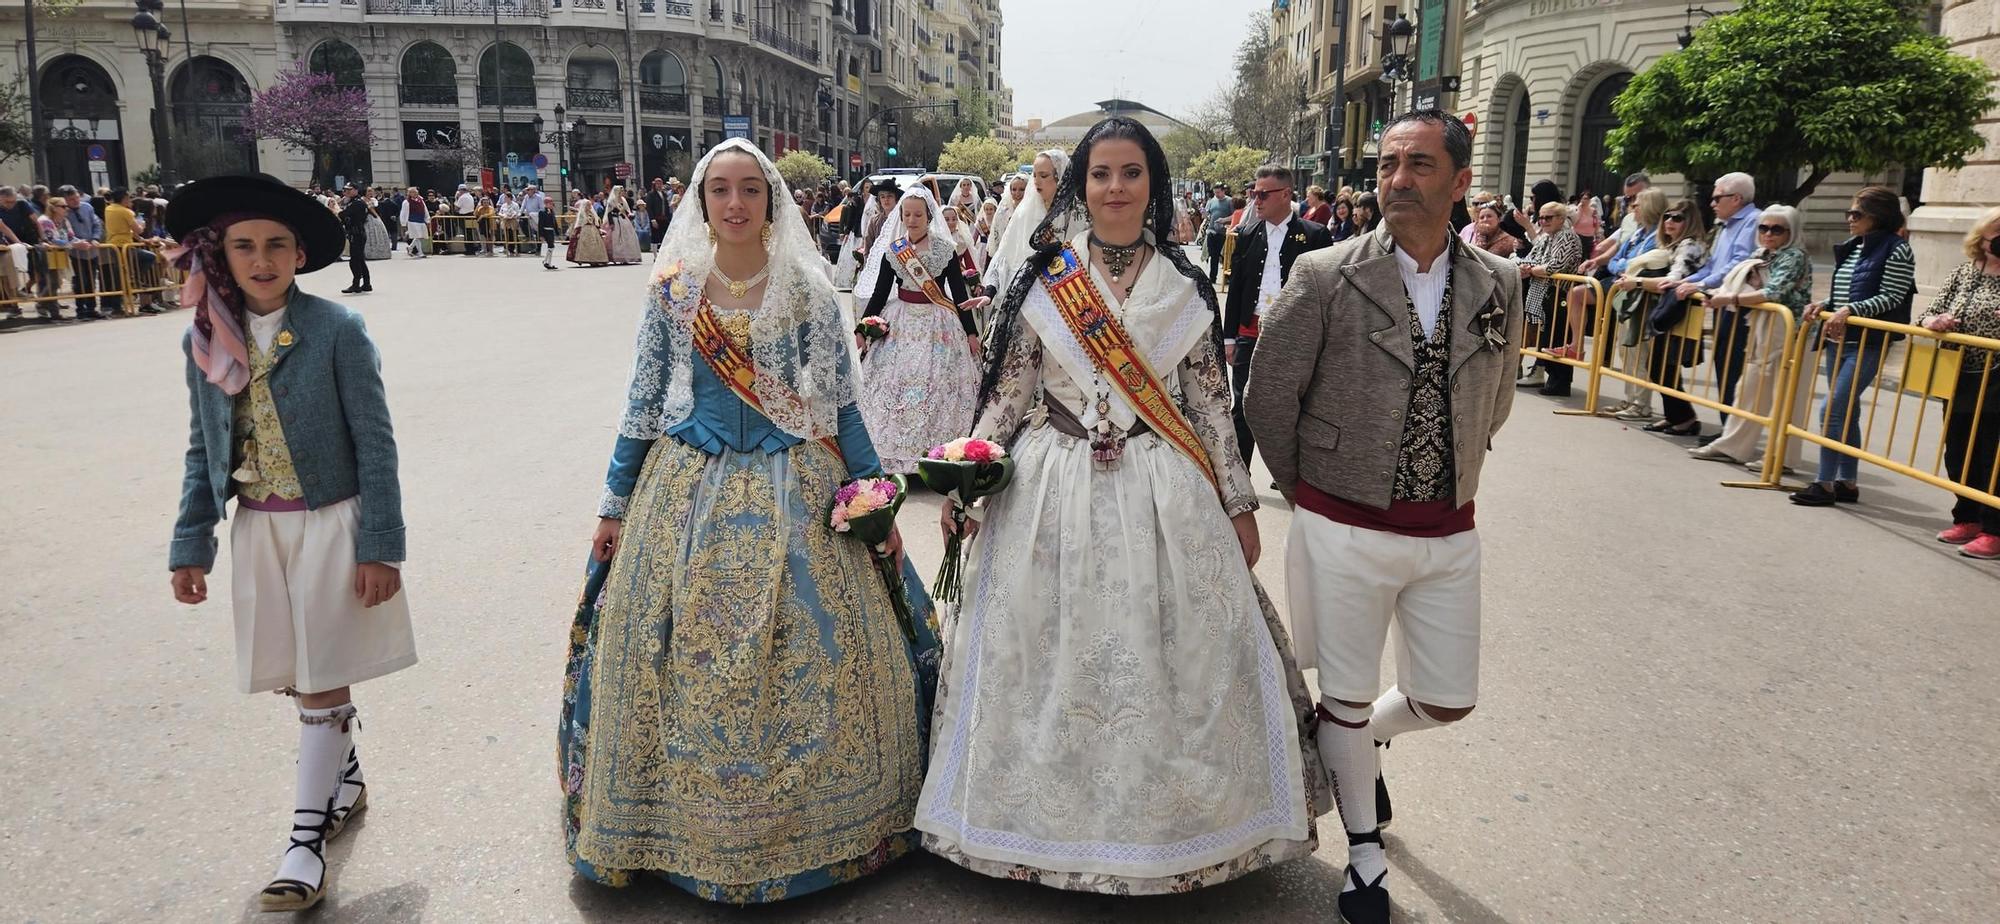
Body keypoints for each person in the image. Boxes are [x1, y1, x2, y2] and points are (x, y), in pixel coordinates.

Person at [916, 114, 1330, 896]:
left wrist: (1239, 503)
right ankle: (1034, 831)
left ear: (1152, 184)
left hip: (1162, 484)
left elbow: (1210, 403)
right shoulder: (1047, 280)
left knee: (1180, 656)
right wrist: (966, 482)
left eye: (1130, 173)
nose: (1115, 187)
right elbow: (1010, 396)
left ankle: (1184, 832)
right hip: (1052, 484)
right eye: (1101, 173)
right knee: (1041, 657)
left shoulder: (1184, 284)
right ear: (1082, 182)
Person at [561, 138, 938, 902]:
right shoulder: (671, 291)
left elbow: (836, 405)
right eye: (720, 191)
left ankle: (835, 821)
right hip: (686, 482)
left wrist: (872, 493)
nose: (735, 204)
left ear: (771, 202)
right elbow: (642, 402)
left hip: (794, 478)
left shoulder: (802, 287)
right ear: (702, 202)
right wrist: (614, 503)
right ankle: (663, 827)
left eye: (750, 190)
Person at [1244, 110, 1525, 924]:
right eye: (1389, 164)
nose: (1399, 178)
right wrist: (1313, 495)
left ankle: (1363, 744)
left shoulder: (1501, 283)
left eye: (1421, 164)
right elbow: (1268, 397)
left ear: (1463, 183)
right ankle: (1364, 853)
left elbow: (1497, 397)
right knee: (1345, 695)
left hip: (1448, 526)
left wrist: (1454, 464)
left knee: (1447, 701)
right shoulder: (1326, 273)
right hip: (1343, 523)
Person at [165, 173, 414, 912]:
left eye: (277, 245)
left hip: (330, 524)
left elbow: (376, 443)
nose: (262, 259)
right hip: (258, 529)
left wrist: (382, 543)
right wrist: (190, 542)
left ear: (300, 254)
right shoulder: (205, 337)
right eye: (245, 245)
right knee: (292, 672)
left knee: (319, 678)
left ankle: (305, 843)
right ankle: (346, 776)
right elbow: (200, 445)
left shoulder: (338, 329)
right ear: (221, 254)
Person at [1790, 186, 1916, 508]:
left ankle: (1824, 483)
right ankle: (1847, 481)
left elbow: (1892, 296)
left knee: (1832, 409)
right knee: (1847, 411)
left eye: (1856, 214)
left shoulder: (1897, 249)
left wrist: (1850, 311)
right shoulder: (1854, 246)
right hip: (1837, 340)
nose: (1849, 219)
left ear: (1878, 217)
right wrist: (1824, 304)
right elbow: (1847, 293)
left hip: (1867, 342)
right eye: (1849, 212)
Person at [856, 186, 986, 472]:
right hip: (900, 320)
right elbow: (879, 294)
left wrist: (971, 333)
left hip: (938, 323)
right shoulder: (895, 251)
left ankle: (937, 451)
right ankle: (894, 452)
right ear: (901, 217)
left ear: (929, 216)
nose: (912, 219)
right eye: (907, 214)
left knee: (937, 382)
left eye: (918, 214)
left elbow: (959, 295)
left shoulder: (945, 250)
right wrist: (863, 328)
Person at [1223, 164, 1333, 463]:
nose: (1255, 200)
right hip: (1251, 330)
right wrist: (1229, 337)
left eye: (1262, 194)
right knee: (1243, 405)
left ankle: (1290, 470)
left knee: (1294, 407)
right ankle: (1239, 474)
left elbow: (1327, 293)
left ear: (1285, 195)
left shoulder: (1314, 235)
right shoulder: (1246, 233)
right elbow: (1236, 289)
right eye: (1252, 194)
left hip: (1294, 335)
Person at [1689, 205, 1814, 469]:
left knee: (1786, 396)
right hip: (1763, 327)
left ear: (1790, 232)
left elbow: (1775, 291)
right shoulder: (1762, 254)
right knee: (1749, 389)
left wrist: (1730, 298)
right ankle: (1733, 446)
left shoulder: (1794, 256)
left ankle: (1780, 458)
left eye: (1776, 229)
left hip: (1789, 331)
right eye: (1764, 228)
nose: (1768, 233)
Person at [1917, 206, 2000, 559]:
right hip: (1958, 370)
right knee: (1960, 449)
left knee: (1992, 453)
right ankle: (1967, 516)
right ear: (1981, 239)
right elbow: (1925, 315)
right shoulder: (1964, 273)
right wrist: (1936, 320)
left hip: (1997, 373)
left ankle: (1995, 529)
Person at [1673, 172, 1763, 437]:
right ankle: (1728, 430)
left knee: (1733, 368)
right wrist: (1688, 281)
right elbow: (1713, 265)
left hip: (1742, 306)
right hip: (1724, 303)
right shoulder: (1724, 225)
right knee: (1724, 365)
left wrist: (1701, 285)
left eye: (1716, 198)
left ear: (1736, 199)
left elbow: (1739, 263)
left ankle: (1733, 432)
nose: (1711, 203)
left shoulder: (1752, 222)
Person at [1620, 198, 1710, 433]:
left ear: (1689, 222)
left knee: (1663, 364)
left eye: (1677, 218)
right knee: (1661, 365)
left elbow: (1672, 281)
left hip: (1681, 312)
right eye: (1667, 216)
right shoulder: (1676, 245)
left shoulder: (1689, 244)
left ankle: (1684, 418)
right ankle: (1677, 415)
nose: (1670, 221)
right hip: (1672, 310)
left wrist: (1637, 281)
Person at [982, 149, 1071, 300]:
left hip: (1066, 296)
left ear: (1060, 176)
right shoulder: (1024, 213)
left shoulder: (1074, 214)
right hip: (1026, 297)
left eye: (1043, 175)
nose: (1036, 181)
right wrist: (989, 292)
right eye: (1034, 175)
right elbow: (1005, 255)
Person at [1516, 201, 1583, 395]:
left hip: (1560, 292)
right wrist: (1526, 266)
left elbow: (1555, 267)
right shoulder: (1546, 237)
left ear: (1561, 218)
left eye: (1549, 217)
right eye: (1541, 217)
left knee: (1558, 337)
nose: (1543, 221)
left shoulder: (1567, 236)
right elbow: (1532, 257)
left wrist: (1531, 270)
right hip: (1545, 293)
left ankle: (1560, 383)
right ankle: (1551, 379)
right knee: (1548, 338)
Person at [59, 186, 105, 321]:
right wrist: (77, 243)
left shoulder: (87, 207)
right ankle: (81, 309)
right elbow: (63, 231)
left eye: (77, 197)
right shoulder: (63, 212)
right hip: (75, 252)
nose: (75, 201)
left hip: (92, 250)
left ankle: (91, 308)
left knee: (91, 279)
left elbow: (96, 224)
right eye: (71, 199)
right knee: (80, 280)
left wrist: (96, 238)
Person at [338, 186, 374, 293]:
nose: (347, 192)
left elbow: (343, 215)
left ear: (356, 190)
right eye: (346, 190)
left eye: (350, 190)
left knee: (354, 261)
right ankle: (366, 284)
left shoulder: (357, 203)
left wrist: (339, 211)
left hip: (357, 233)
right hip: (356, 233)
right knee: (360, 259)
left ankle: (356, 284)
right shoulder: (354, 202)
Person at [567, 194, 610, 266]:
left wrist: (597, 227)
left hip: (593, 229)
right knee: (585, 245)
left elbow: (595, 221)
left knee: (596, 245)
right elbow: (580, 223)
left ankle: (596, 260)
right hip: (585, 230)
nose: (590, 207)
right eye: (588, 205)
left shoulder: (592, 213)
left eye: (590, 205)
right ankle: (587, 259)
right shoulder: (582, 214)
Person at [604, 185, 642, 264]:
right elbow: (609, 213)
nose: (622, 192)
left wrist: (630, 214)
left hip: (623, 219)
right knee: (616, 238)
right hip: (615, 220)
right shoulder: (612, 200)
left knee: (627, 237)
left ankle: (626, 256)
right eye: (621, 191)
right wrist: (611, 223)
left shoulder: (623, 200)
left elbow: (626, 210)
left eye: (623, 191)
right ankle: (615, 257)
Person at [1204, 182, 1232, 282]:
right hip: (1211, 231)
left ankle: (1227, 277)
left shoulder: (1230, 201)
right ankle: (1212, 277)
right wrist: (1204, 213)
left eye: (1218, 192)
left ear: (1223, 191)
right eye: (1215, 192)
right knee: (1213, 255)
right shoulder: (1211, 201)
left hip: (1223, 232)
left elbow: (1235, 216)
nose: (1217, 194)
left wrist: (1224, 220)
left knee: (1223, 255)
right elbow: (1207, 215)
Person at [362, 190, 393, 261]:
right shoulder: (363, 200)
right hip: (368, 218)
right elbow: (371, 210)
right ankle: (370, 253)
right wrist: (376, 216)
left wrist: (378, 217)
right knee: (370, 234)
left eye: (371, 191)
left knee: (378, 234)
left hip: (375, 218)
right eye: (368, 191)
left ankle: (381, 253)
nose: (370, 193)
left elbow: (376, 209)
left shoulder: (373, 200)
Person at [398, 187, 429, 258]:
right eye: (413, 192)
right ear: (409, 193)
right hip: (412, 221)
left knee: (420, 236)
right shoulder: (406, 202)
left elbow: (425, 210)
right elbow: (403, 213)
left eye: (416, 192)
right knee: (417, 236)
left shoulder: (421, 200)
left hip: (421, 220)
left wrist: (427, 219)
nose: (415, 193)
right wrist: (403, 223)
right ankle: (420, 252)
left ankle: (410, 247)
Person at [643, 178, 672, 248]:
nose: (659, 185)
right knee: (655, 237)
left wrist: (668, 217)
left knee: (665, 236)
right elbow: (649, 208)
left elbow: (667, 206)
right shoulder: (651, 194)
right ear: (655, 185)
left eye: (660, 184)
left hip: (664, 218)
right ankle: (655, 256)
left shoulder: (664, 194)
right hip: (656, 218)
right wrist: (652, 219)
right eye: (657, 184)